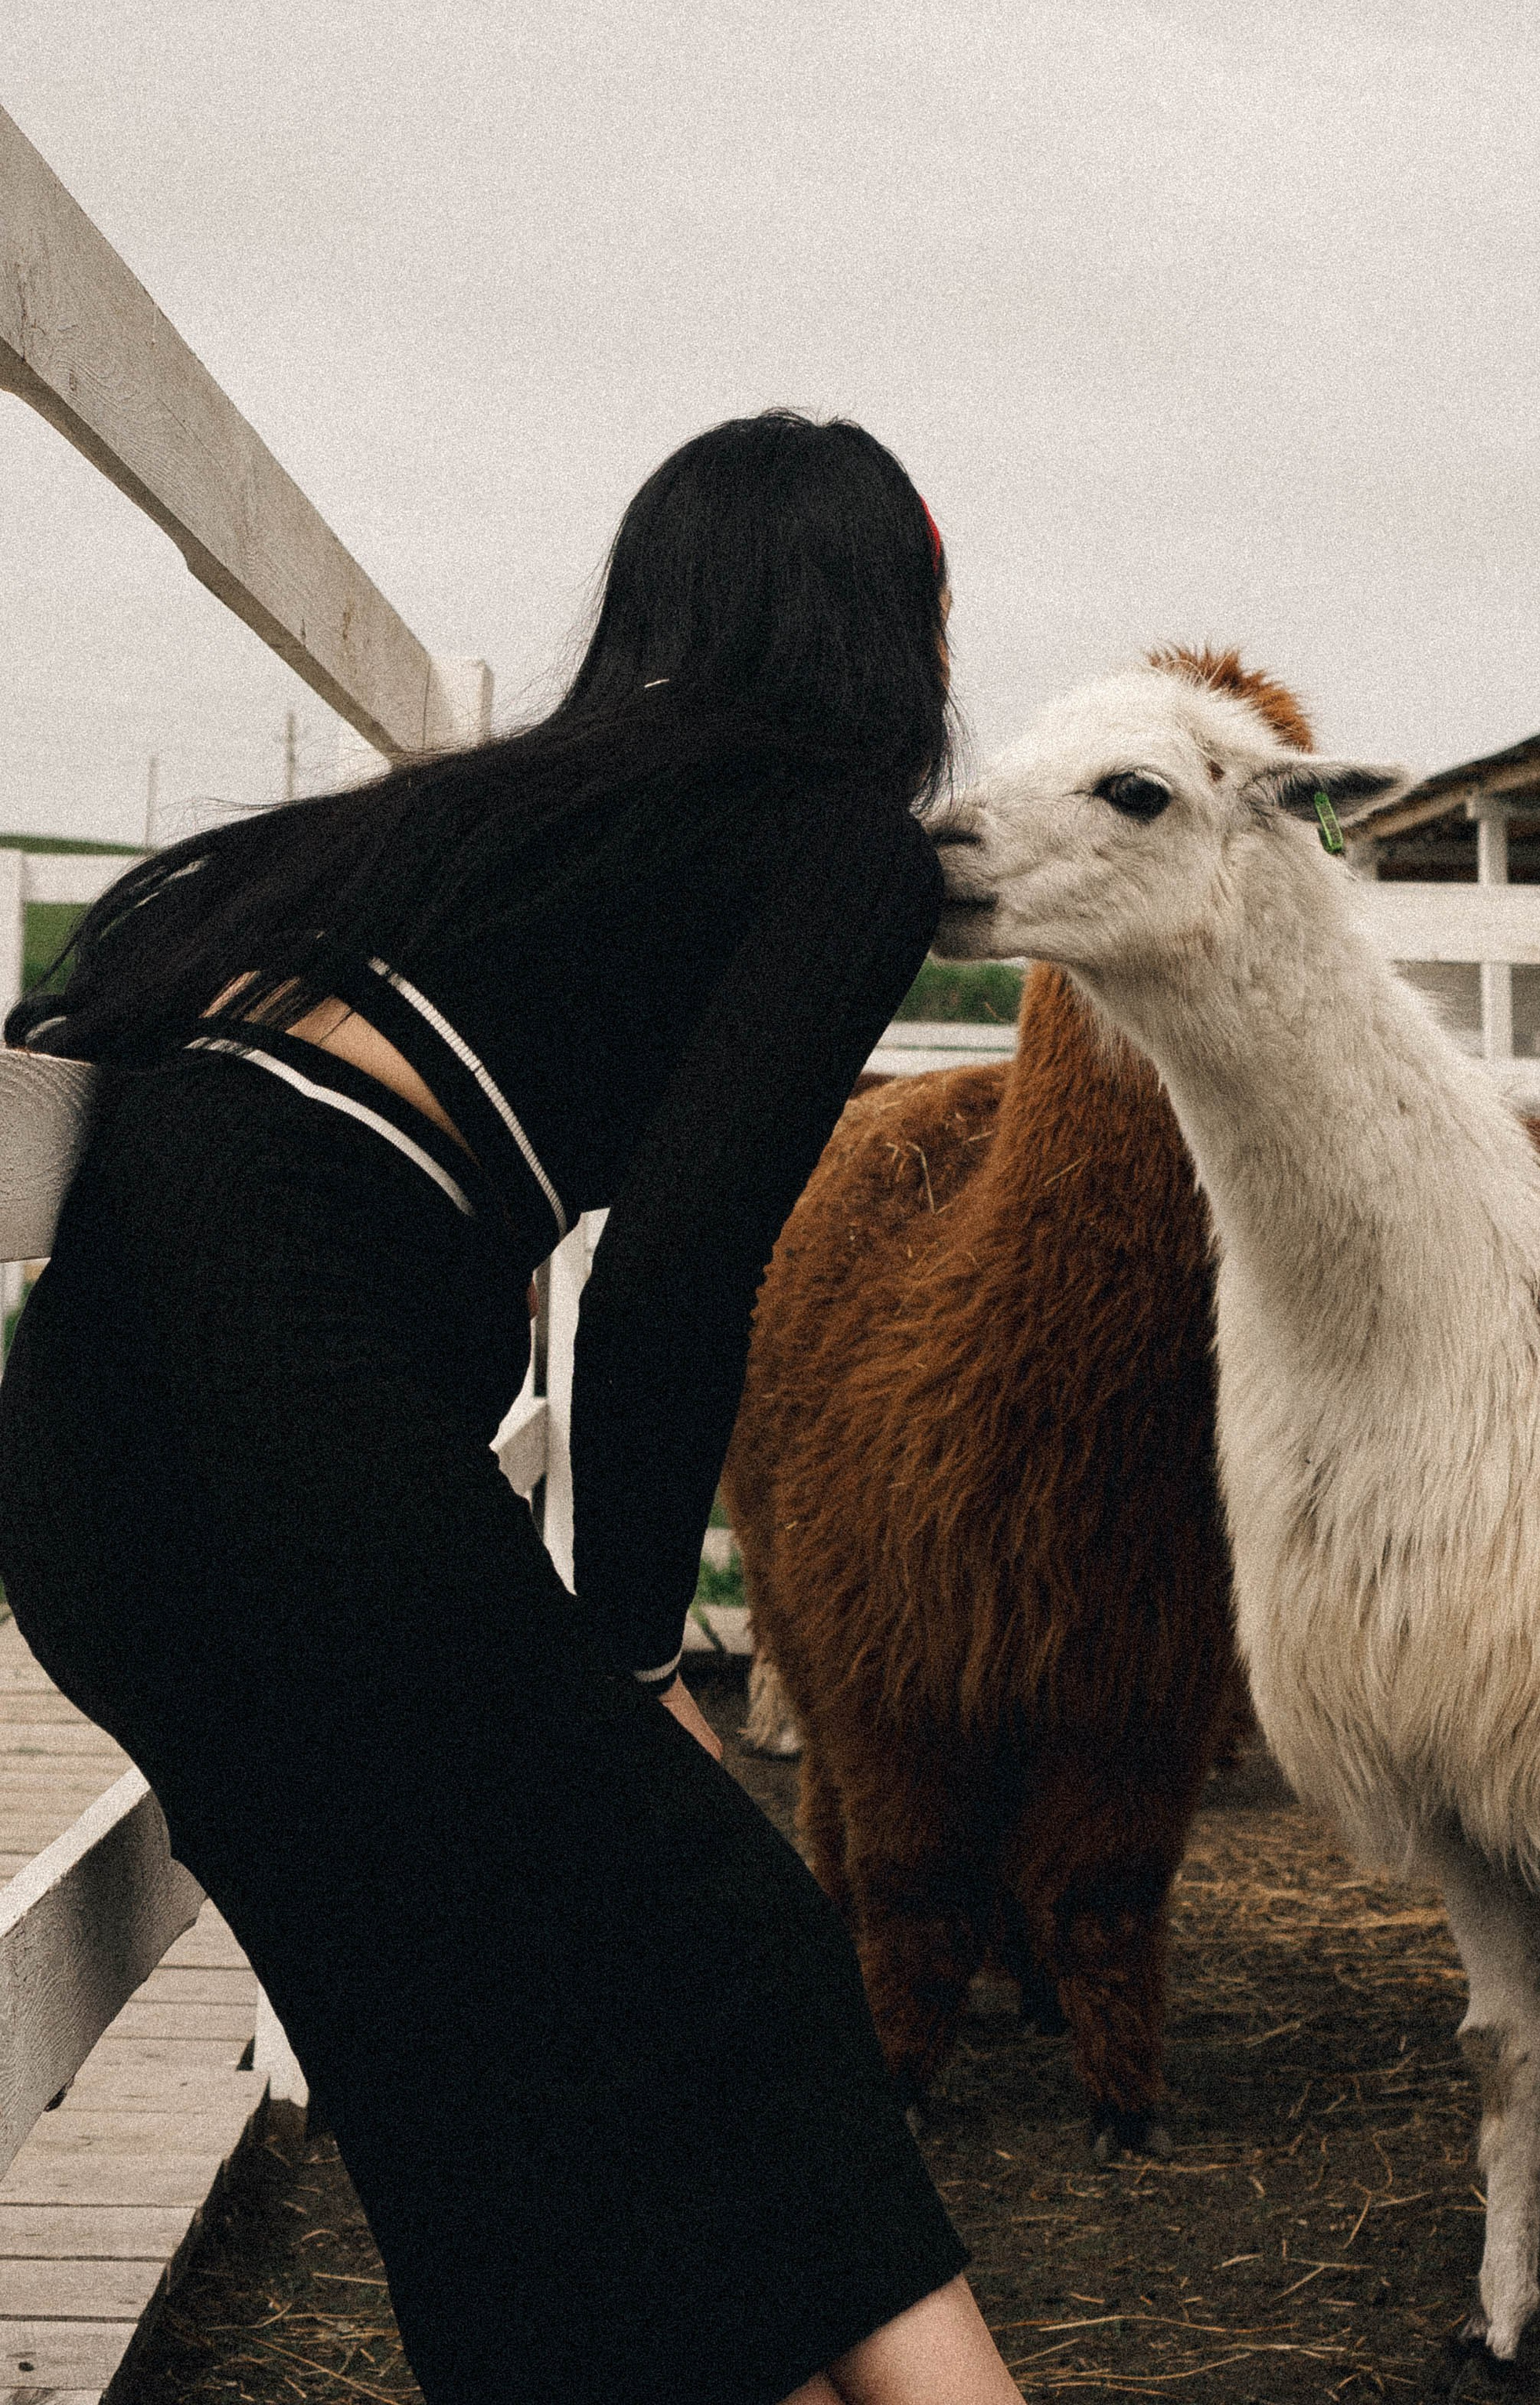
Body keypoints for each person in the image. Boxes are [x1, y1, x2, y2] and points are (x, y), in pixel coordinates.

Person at [0, 414, 1025, 2405]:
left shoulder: (458, 823)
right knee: (731, 1943)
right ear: (894, 630)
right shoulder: (833, 840)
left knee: (440, 2042)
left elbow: (103, 980)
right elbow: (676, 1266)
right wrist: (638, 1644)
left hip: (74, 1478)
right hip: (293, 1409)